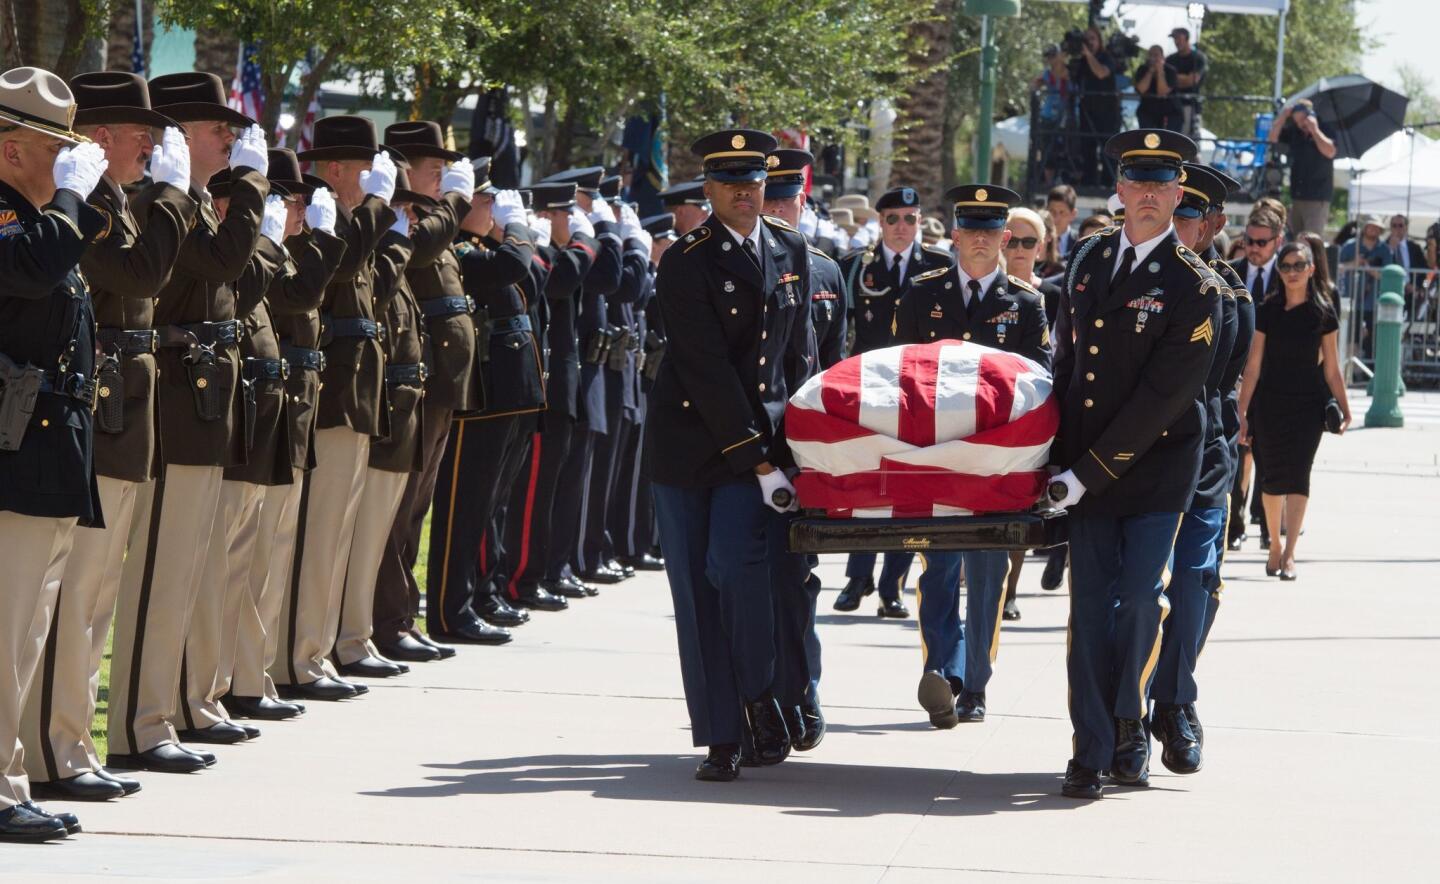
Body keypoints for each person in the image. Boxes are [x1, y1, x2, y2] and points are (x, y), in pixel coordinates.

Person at [20, 71, 195, 803]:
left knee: (94, 594)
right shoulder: (80, 206)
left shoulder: (109, 202)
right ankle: (54, 750)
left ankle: (67, 746)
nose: (152, 145)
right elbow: (143, 274)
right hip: (86, 411)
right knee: (66, 594)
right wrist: (172, 200)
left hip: (117, 412)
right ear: (98, 138)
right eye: (139, 132)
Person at [1047, 129, 1222, 799]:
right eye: (1135, 183)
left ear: (1179, 196)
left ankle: (1128, 727)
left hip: (1152, 472)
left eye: (1161, 185)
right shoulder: (1088, 260)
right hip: (1084, 473)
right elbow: (1067, 367)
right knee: (1089, 609)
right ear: (1118, 191)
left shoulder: (1194, 286)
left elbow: (1160, 401)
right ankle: (1089, 749)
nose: (1147, 196)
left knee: (1139, 605)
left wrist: (1083, 472)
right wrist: (1051, 458)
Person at [106, 72, 269, 772]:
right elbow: (223, 260)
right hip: (172, 401)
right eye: (216, 130)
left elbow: (245, 281)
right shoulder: (158, 203)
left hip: (201, 401)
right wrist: (253, 193)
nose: (229, 140)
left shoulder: (192, 205)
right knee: (159, 575)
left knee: (189, 569)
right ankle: (141, 725)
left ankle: (171, 708)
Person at [647, 128, 814, 782]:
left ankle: (758, 692)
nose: (747, 194)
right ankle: (723, 734)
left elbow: (799, 358)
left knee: (740, 572)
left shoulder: (791, 248)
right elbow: (706, 369)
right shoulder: (687, 260)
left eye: (756, 183)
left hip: (761, 447)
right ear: (709, 190)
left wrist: (801, 450)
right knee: (698, 590)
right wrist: (762, 461)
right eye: (732, 184)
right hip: (694, 448)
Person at [893, 184, 1050, 729]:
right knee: (937, 567)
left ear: (1006, 238)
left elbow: (1038, 384)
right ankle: (945, 669)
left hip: (993, 464)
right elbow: (900, 375)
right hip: (934, 457)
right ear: (954, 234)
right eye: (971, 230)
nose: (980, 241)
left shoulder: (1026, 306)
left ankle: (975, 683)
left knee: (986, 573)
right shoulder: (920, 294)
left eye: (991, 232)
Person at [0, 64, 110, 843]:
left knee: (25, 632)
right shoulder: (10, 222)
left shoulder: (40, 221)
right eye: (54, 150)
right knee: (4, 632)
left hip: (45, 452)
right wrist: (71, 199)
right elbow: (38, 271)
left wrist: (75, 197)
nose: (66, 163)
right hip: (12, 455)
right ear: (11, 152)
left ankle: (7, 782)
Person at [273, 115, 398, 699]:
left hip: (353, 385)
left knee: (336, 533)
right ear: (341, 170)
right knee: (316, 536)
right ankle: (299, 658)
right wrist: (376, 210)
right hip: (330, 387)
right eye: (369, 172)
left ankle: (316, 652)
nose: (377, 183)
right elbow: (341, 266)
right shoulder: (321, 217)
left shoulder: (344, 219)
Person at [227, 150, 349, 720]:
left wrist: (314, 240)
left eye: (302, 201)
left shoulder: (282, 249)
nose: (299, 209)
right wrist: (297, 240)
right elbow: (294, 298)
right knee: (248, 559)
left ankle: (257, 675)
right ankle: (244, 678)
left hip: (291, 407)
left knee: (272, 554)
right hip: (259, 411)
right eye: (290, 199)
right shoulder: (260, 252)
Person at [1150, 163, 1244, 776]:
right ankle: (1134, 708)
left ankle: (1174, 701)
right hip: (1139, 457)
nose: (1180, 226)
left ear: (1211, 225)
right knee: (1131, 595)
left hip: (1204, 456)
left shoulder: (1226, 289)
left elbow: (1223, 380)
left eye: (1191, 216)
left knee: (1195, 582)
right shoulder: (1132, 270)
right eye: (1175, 212)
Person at [371, 122, 475, 662]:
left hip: (437, 385)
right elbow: (425, 243)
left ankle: (400, 614)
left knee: (416, 510)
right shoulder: (407, 220)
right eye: (437, 170)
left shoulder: (432, 221)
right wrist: (456, 199)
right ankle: (386, 620)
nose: (446, 180)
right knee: (397, 508)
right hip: (411, 387)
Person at [834, 186, 953, 617]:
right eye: (892, 219)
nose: (901, 227)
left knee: (909, 485)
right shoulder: (855, 267)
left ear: (920, 221)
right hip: (867, 390)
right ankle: (857, 577)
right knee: (867, 483)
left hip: (919, 394)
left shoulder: (940, 266)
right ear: (879, 223)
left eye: (910, 218)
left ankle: (892, 585)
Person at [1237, 241, 1352, 580]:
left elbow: (1332, 368)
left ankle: (1290, 554)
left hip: (1307, 405)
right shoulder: (1268, 309)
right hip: (1269, 404)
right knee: (1271, 478)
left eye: (1298, 265)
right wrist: (1241, 411)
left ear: (1311, 269)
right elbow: (1254, 365)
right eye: (1285, 266)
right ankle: (1274, 545)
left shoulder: (1323, 312)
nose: (1291, 272)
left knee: (1299, 474)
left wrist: (1345, 409)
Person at [999, 205, 1064, 618]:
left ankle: (1011, 590)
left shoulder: (1056, 295)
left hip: (1038, 409)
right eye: (1012, 240)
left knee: (1026, 504)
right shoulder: (990, 292)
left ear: (1041, 247)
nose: (1019, 249)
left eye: (1028, 242)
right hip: (992, 409)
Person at [1269, 99, 1336, 238]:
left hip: (1317, 198)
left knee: (1310, 241)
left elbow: (1330, 152)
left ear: (1311, 116)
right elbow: (1273, 138)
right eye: (1297, 121)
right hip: (1297, 196)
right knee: (1296, 241)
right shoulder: (1295, 132)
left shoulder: (1326, 129)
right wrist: (1283, 116)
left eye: (1303, 120)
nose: (1301, 125)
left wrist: (1315, 130)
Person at [1071, 26, 1122, 187]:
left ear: (1100, 41)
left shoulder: (1107, 57)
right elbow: (1068, 76)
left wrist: (1089, 55)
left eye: (1092, 39)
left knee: (1108, 149)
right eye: (1086, 39)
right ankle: (1089, 182)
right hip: (1087, 110)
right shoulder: (1081, 61)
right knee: (1087, 149)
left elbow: (1101, 72)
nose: (1089, 43)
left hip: (1108, 111)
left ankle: (1107, 183)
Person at [1370, 214, 1430, 315]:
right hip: (1391, 293)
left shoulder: (1415, 248)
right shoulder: (1382, 247)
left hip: (1413, 295)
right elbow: (1377, 267)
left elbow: (1427, 273)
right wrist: (1390, 250)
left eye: (1400, 225)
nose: (1397, 228)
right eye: (1394, 225)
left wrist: (1422, 288)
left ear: (1406, 228)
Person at [1034, 46, 1076, 184]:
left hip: (1068, 117)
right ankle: (1048, 182)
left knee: (1067, 150)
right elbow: (1033, 86)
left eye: (1054, 56)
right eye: (1050, 57)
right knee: (1047, 150)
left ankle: (1067, 180)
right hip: (1049, 117)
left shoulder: (1071, 72)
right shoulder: (1046, 74)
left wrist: (1060, 60)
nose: (1051, 60)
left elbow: (1061, 74)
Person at [1166, 27, 1208, 138]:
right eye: (1174, 38)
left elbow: (1192, 81)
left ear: (1187, 39)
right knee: (1171, 139)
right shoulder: (1170, 59)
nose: (1176, 41)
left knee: (1189, 141)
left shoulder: (1198, 57)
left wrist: (1175, 79)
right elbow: (1166, 81)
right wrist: (1182, 78)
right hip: (1172, 105)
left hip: (1191, 105)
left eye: (1179, 38)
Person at [1134, 45, 1179, 131]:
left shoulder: (1171, 71)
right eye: (1150, 55)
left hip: (1168, 112)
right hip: (1147, 111)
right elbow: (1141, 89)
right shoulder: (1142, 69)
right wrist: (1150, 71)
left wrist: (1160, 71)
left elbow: (1162, 92)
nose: (1153, 58)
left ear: (1162, 57)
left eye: (1156, 55)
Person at [1047, 184, 1078, 259]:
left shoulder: (1080, 242)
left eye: (1062, 212)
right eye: (1052, 211)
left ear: (1073, 214)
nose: (1056, 218)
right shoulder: (1039, 240)